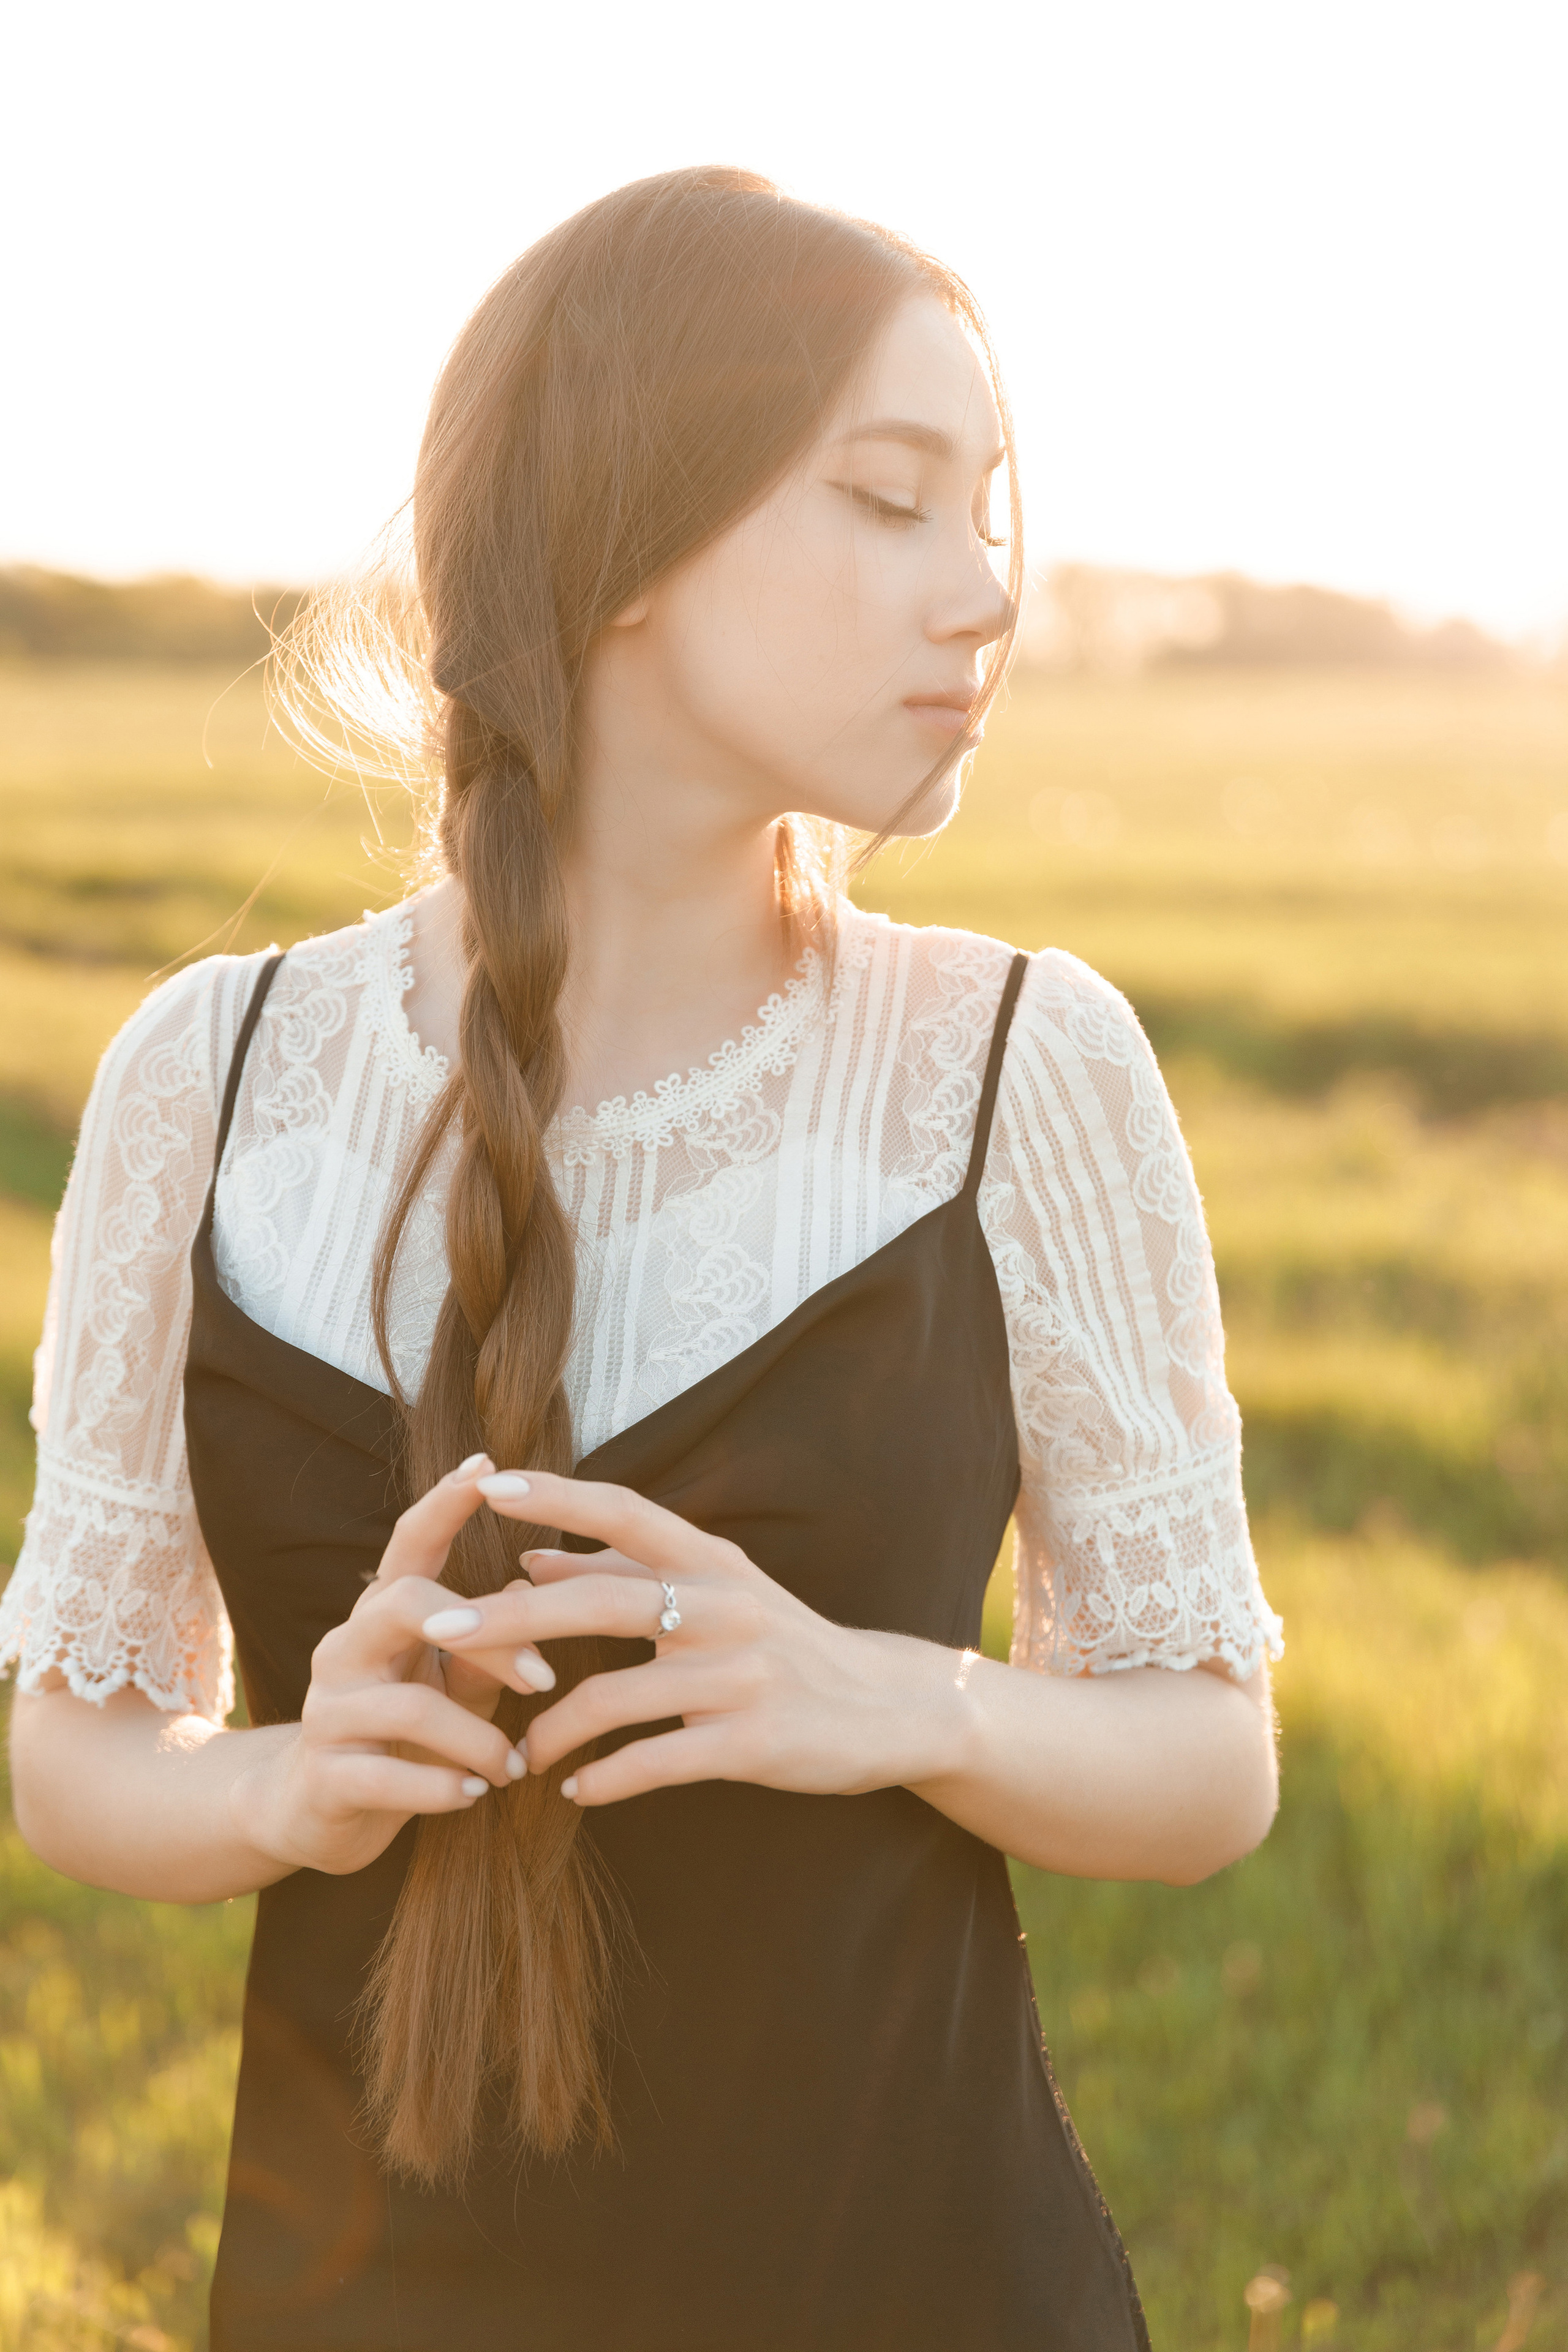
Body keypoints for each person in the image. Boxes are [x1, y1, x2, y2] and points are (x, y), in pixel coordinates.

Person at [2, 167, 1281, 2351]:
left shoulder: (1015, 1064)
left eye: (991, 509)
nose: (983, 594)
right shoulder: (206, 1080)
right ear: (618, 543)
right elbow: (78, 1754)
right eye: (890, 499)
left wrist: (896, 1698)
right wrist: (283, 1786)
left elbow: (1204, 1763)